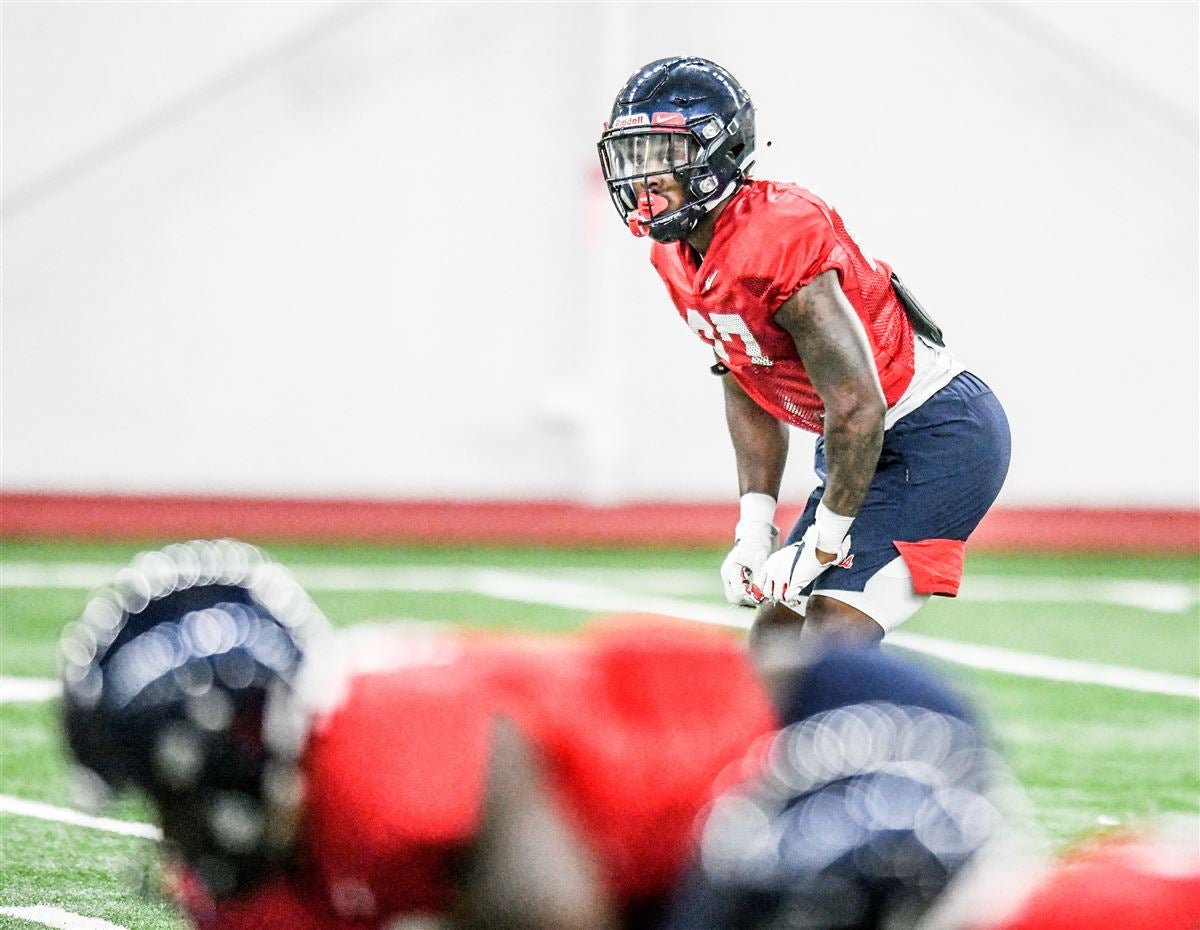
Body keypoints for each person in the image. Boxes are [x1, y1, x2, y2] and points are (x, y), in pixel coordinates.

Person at [58, 539, 1014, 930]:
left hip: (823, 736)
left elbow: (564, 916)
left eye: (169, 795)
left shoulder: (387, 759)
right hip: (684, 826)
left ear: (230, 743)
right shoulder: (296, 815)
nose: (169, 833)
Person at [597, 58, 1012, 644]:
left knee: (824, 643)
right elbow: (744, 377)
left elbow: (858, 406)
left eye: (665, 155)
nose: (645, 177)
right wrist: (754, 528)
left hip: (933, 434)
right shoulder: (674, 255)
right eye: (635, 157)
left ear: (719, 150)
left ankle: (909, 734)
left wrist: (824, 540)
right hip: (858, 441)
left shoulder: (777, 233)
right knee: (777, 642)